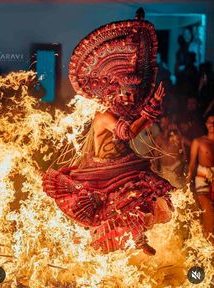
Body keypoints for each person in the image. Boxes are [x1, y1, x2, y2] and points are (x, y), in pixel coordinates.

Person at [42, 10, 174, 256]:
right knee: (116, 204)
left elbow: (138, 128)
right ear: (114, 93)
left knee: (146, 191)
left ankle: (138, 236)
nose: (129, 98)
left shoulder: (125, 113)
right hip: (103, 170)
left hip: (125, 164)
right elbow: (127, 134)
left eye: (133, 95)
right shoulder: (105, 115)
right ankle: (108, 244)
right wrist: (148, 111)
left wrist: (150, 112)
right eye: (125, 94)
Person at [186, 112, 214, 244]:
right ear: (206, 124)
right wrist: (187, 181)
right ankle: (208, 241)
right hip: (202, 174)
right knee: (206, 207)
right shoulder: (199, 141)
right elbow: (192, 163)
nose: (212, 125)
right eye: (210, 122)